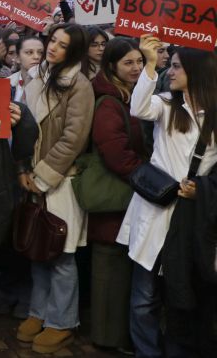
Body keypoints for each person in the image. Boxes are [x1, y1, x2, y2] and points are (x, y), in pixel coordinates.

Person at [118, 37, 217, 357]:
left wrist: (202, 188)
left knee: (184, 294)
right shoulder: (165, 103)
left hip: (193, 218)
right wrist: (148, 64)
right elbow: (139, 108)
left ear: (197, 71)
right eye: (170, 65)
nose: (170, 71)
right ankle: (147, 352)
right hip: (156, 210)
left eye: (176, 66)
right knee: (144, 296)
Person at [17, 24, 95, 354]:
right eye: (52, 41)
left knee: (61, 254)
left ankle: (62, 322)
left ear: (73, 52)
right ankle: (39, 312)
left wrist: (43, 175)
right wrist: (22, 167)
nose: (53, 48)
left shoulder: (80, 85)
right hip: (31, 175)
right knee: (38, 248)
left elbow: (73, 138)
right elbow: (21, 124)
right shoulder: (37, 77)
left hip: (61, 179)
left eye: (62, 45)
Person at [87, 37, 146, 353]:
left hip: (128, 197)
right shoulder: (109, 101)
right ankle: (107, 337)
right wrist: (150, 178)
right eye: (129, 63)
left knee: (121, 271)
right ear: (112, 66)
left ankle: (117, 334)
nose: (136, 68)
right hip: (115, 199)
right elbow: (116, 154)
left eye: (139, 61)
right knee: (110, 270)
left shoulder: (132, 94)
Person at [10, 37, 45, 103]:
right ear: (17, 58)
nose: (36, 57)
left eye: (41, 52)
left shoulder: (50, 84)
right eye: (29, 52)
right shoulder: (8, 83)